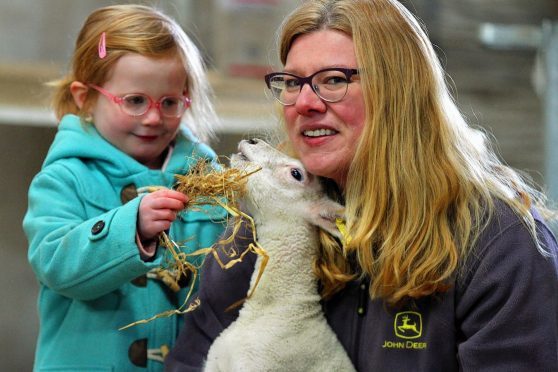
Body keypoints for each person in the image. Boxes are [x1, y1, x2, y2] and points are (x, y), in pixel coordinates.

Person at [166, 0, 558, 370]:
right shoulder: (268, 221)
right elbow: (194, 355)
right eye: (292, 82)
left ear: (398, 93)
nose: (304, 103)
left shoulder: (497, 244)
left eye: (333, 79)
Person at [22, 4, 228, 371]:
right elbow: (56, 264)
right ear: (85, 96)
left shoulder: (205, 179)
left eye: (169, 102)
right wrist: (130, 228)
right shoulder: (64, 178)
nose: (153, 117)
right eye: (134, 101)